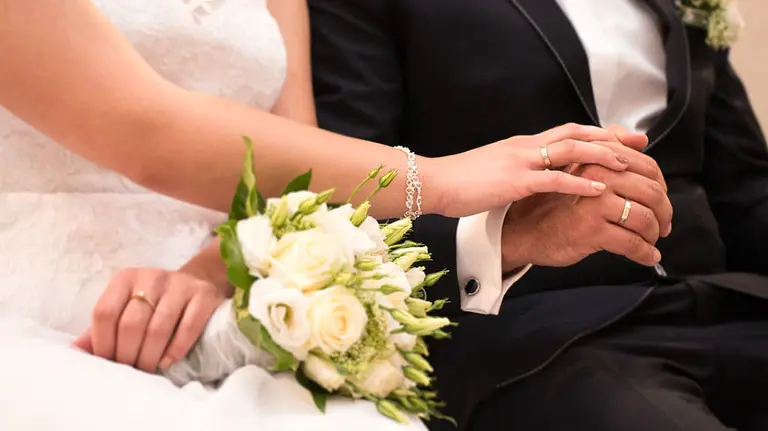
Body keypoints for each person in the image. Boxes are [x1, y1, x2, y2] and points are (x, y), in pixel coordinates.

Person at [0, 1, 637, 430]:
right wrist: (438, 178)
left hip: (229, 293)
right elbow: (143, 129)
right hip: (44, 296)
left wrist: (213, 270)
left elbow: (289, 166)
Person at [308, 0, 768, 430]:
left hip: (724, 303)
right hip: (538, 335)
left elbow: (745, 188)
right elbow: (344, 210)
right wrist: (503, 237)